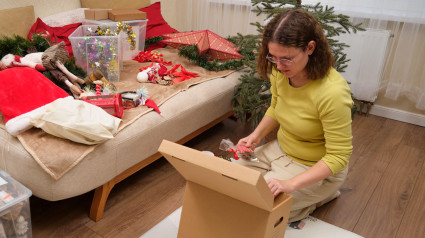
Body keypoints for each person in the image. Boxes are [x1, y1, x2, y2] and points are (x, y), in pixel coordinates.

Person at [237, 8, 354, 222]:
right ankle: (286, 190)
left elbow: (339, 156)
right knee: (228, 180)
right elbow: (276, 107)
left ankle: (319, 198)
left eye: (287, 59)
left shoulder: (333, 92)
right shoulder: (280, 71)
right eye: (273, 57)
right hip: (279, 151)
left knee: (259, 208)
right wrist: (254, 136)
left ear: (310, 48)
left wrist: (289, 185)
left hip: (313, 167)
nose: (279, 66)